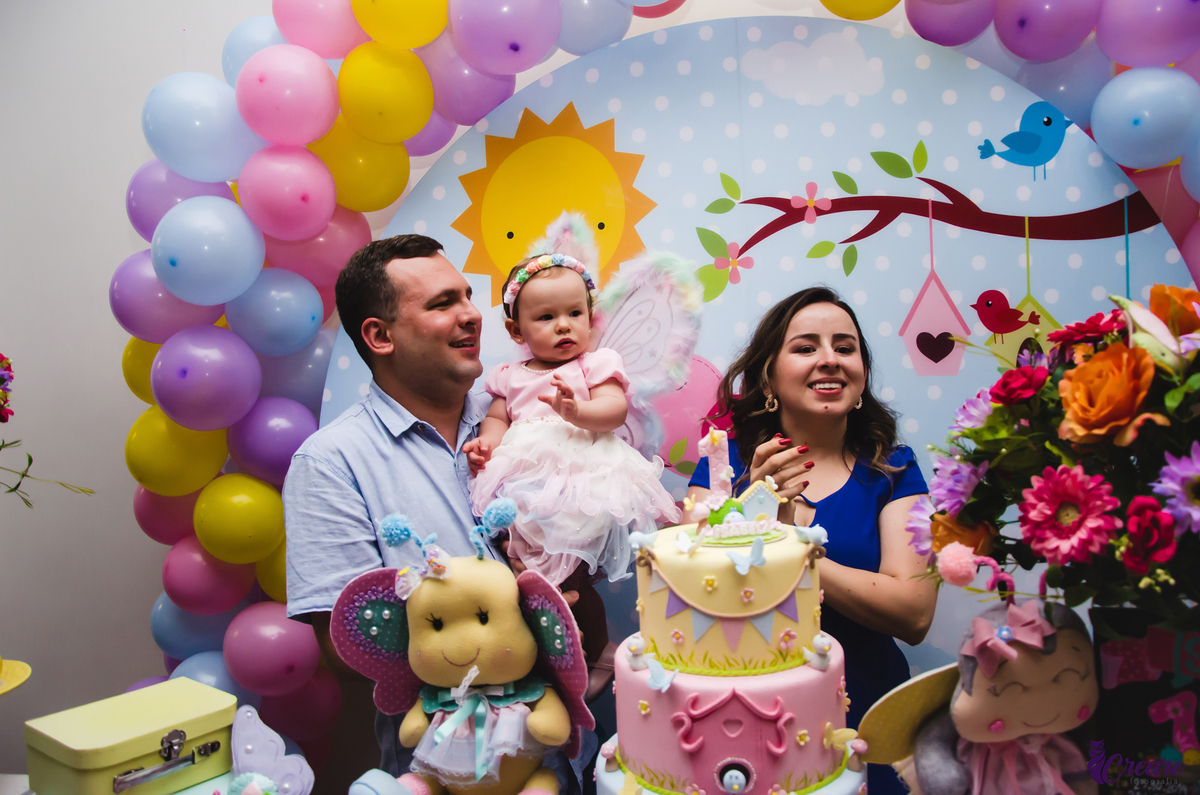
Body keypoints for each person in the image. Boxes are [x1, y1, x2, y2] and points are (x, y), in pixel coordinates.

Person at [683, 286, 936, 795]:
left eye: (845, 348)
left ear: (862, 376)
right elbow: (687, 597)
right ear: (769, 379)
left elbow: (913, 613)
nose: (830, 360)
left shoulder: (895, 470)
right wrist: (747, 513)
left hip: (866, 718)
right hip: (744, 723)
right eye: (805, 347)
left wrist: (788, 540)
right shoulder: (720, 467)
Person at [283, 234, 501, 778]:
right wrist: (516, 627)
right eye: (442, 303)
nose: (472, 315)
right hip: (444, 772)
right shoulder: (332, 462)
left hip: (568, 755)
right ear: (380, 336)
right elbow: (347, 645)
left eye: (468, 296)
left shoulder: (523, 419)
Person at [465, 253, 680, 676]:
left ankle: (595, 649)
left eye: (574, 313)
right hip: (529, 485)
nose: (564, 325)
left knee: (574, 577)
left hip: (586, 481)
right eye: (546, 317)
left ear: (590, 317)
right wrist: (486, 445)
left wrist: (576, 412)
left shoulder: (594, 364)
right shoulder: (509, 375)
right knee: (529, 572)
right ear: (516, 329)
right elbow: (496, 419)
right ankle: (550, 650)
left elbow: (614, 410)